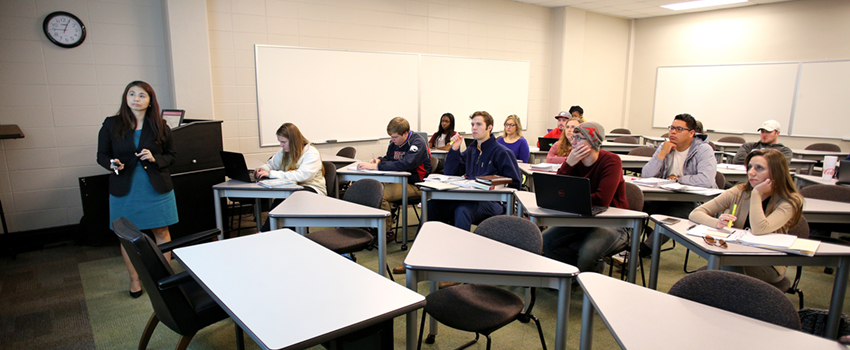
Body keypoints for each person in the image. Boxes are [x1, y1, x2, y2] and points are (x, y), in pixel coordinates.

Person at [97, 81, 178, 299]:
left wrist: (155, 158)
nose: (136, 99)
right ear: (125, 98)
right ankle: (135, 279)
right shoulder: (111, 124)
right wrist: (112, 164)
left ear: (150, 100)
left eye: (142, 95)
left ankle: (165, 276)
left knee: (161, 232)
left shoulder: (160, 125)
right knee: (128, 236)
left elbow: (172, 155)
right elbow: (102, 155)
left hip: (155, 187)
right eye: (132, 94)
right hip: (125, 188)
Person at [689, 149, 804, 286]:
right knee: (706, 278)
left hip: (768, 264)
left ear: (776, 172)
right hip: (734, 254)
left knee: (720, 276)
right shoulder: (739, 191)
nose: (751, 172)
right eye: (750, 167)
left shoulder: (790, 201)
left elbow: (759, 228)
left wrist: (756, 194)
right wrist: (717, 223)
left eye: (759, 168)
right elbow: (696, 213)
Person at [542, 121, 630, 273]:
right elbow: (558, 190)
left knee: (588, 253)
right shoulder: (574, 161)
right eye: (573, 137)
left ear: (593, 141)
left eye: (579, 137)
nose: (573, 141)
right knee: (544, 242)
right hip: (582, 217)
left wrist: (569, 199)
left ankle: (587, 273)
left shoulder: (611, 161)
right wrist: (568, 164)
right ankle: (586, 270)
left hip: (613, 221)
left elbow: (602, 200)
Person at [430, 111, 521, 231]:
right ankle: (424, 246)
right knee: (432, 205)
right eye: (472, 124)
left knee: (462, 210)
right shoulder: (471, 150)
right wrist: (455, 149)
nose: (474, 128)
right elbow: (450, 172)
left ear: (489, 127)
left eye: (478, 124)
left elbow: (515, 184)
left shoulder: (502, 153)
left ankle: (462, 248)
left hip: (493, 202)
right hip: (469, 197)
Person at [640, 113, 717, 255]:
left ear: (691, 133)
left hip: (690, 200)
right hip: (662, 197)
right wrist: (662, 153)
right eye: (672, 128)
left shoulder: (703, 150)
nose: (673, 132)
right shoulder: (665, 147)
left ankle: (643, 250)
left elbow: (705, 180)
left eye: (679, 129)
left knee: (671, 219)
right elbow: (646, 175)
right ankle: (626, 244)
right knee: (636, 204)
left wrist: (677, 179)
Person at [357, 117, 431, 237]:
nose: (392, 140)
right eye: (391, 137)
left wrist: (376, 167)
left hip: (416, 184)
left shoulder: (417, 143)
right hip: (397, 181)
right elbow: (390, 159)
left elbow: (405, 164)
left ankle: (385, 232)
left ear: (405, 133)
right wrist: (379, 160)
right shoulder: (394, 143)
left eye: (395, 137)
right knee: (370, 189)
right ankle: (372, 225)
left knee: (380, 195)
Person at [256, 122, 327, 231]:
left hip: (312, 189)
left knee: (288, 200)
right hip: (293, 188)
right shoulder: (284, 151)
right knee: (282, 202)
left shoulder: (311, 153)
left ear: (293, 141)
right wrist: (262, 170)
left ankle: (266, 232)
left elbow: (302, 176)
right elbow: (271, 164)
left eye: (283, 142)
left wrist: (271, 174)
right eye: (280, 142)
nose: (281, 145)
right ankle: (273, 233)